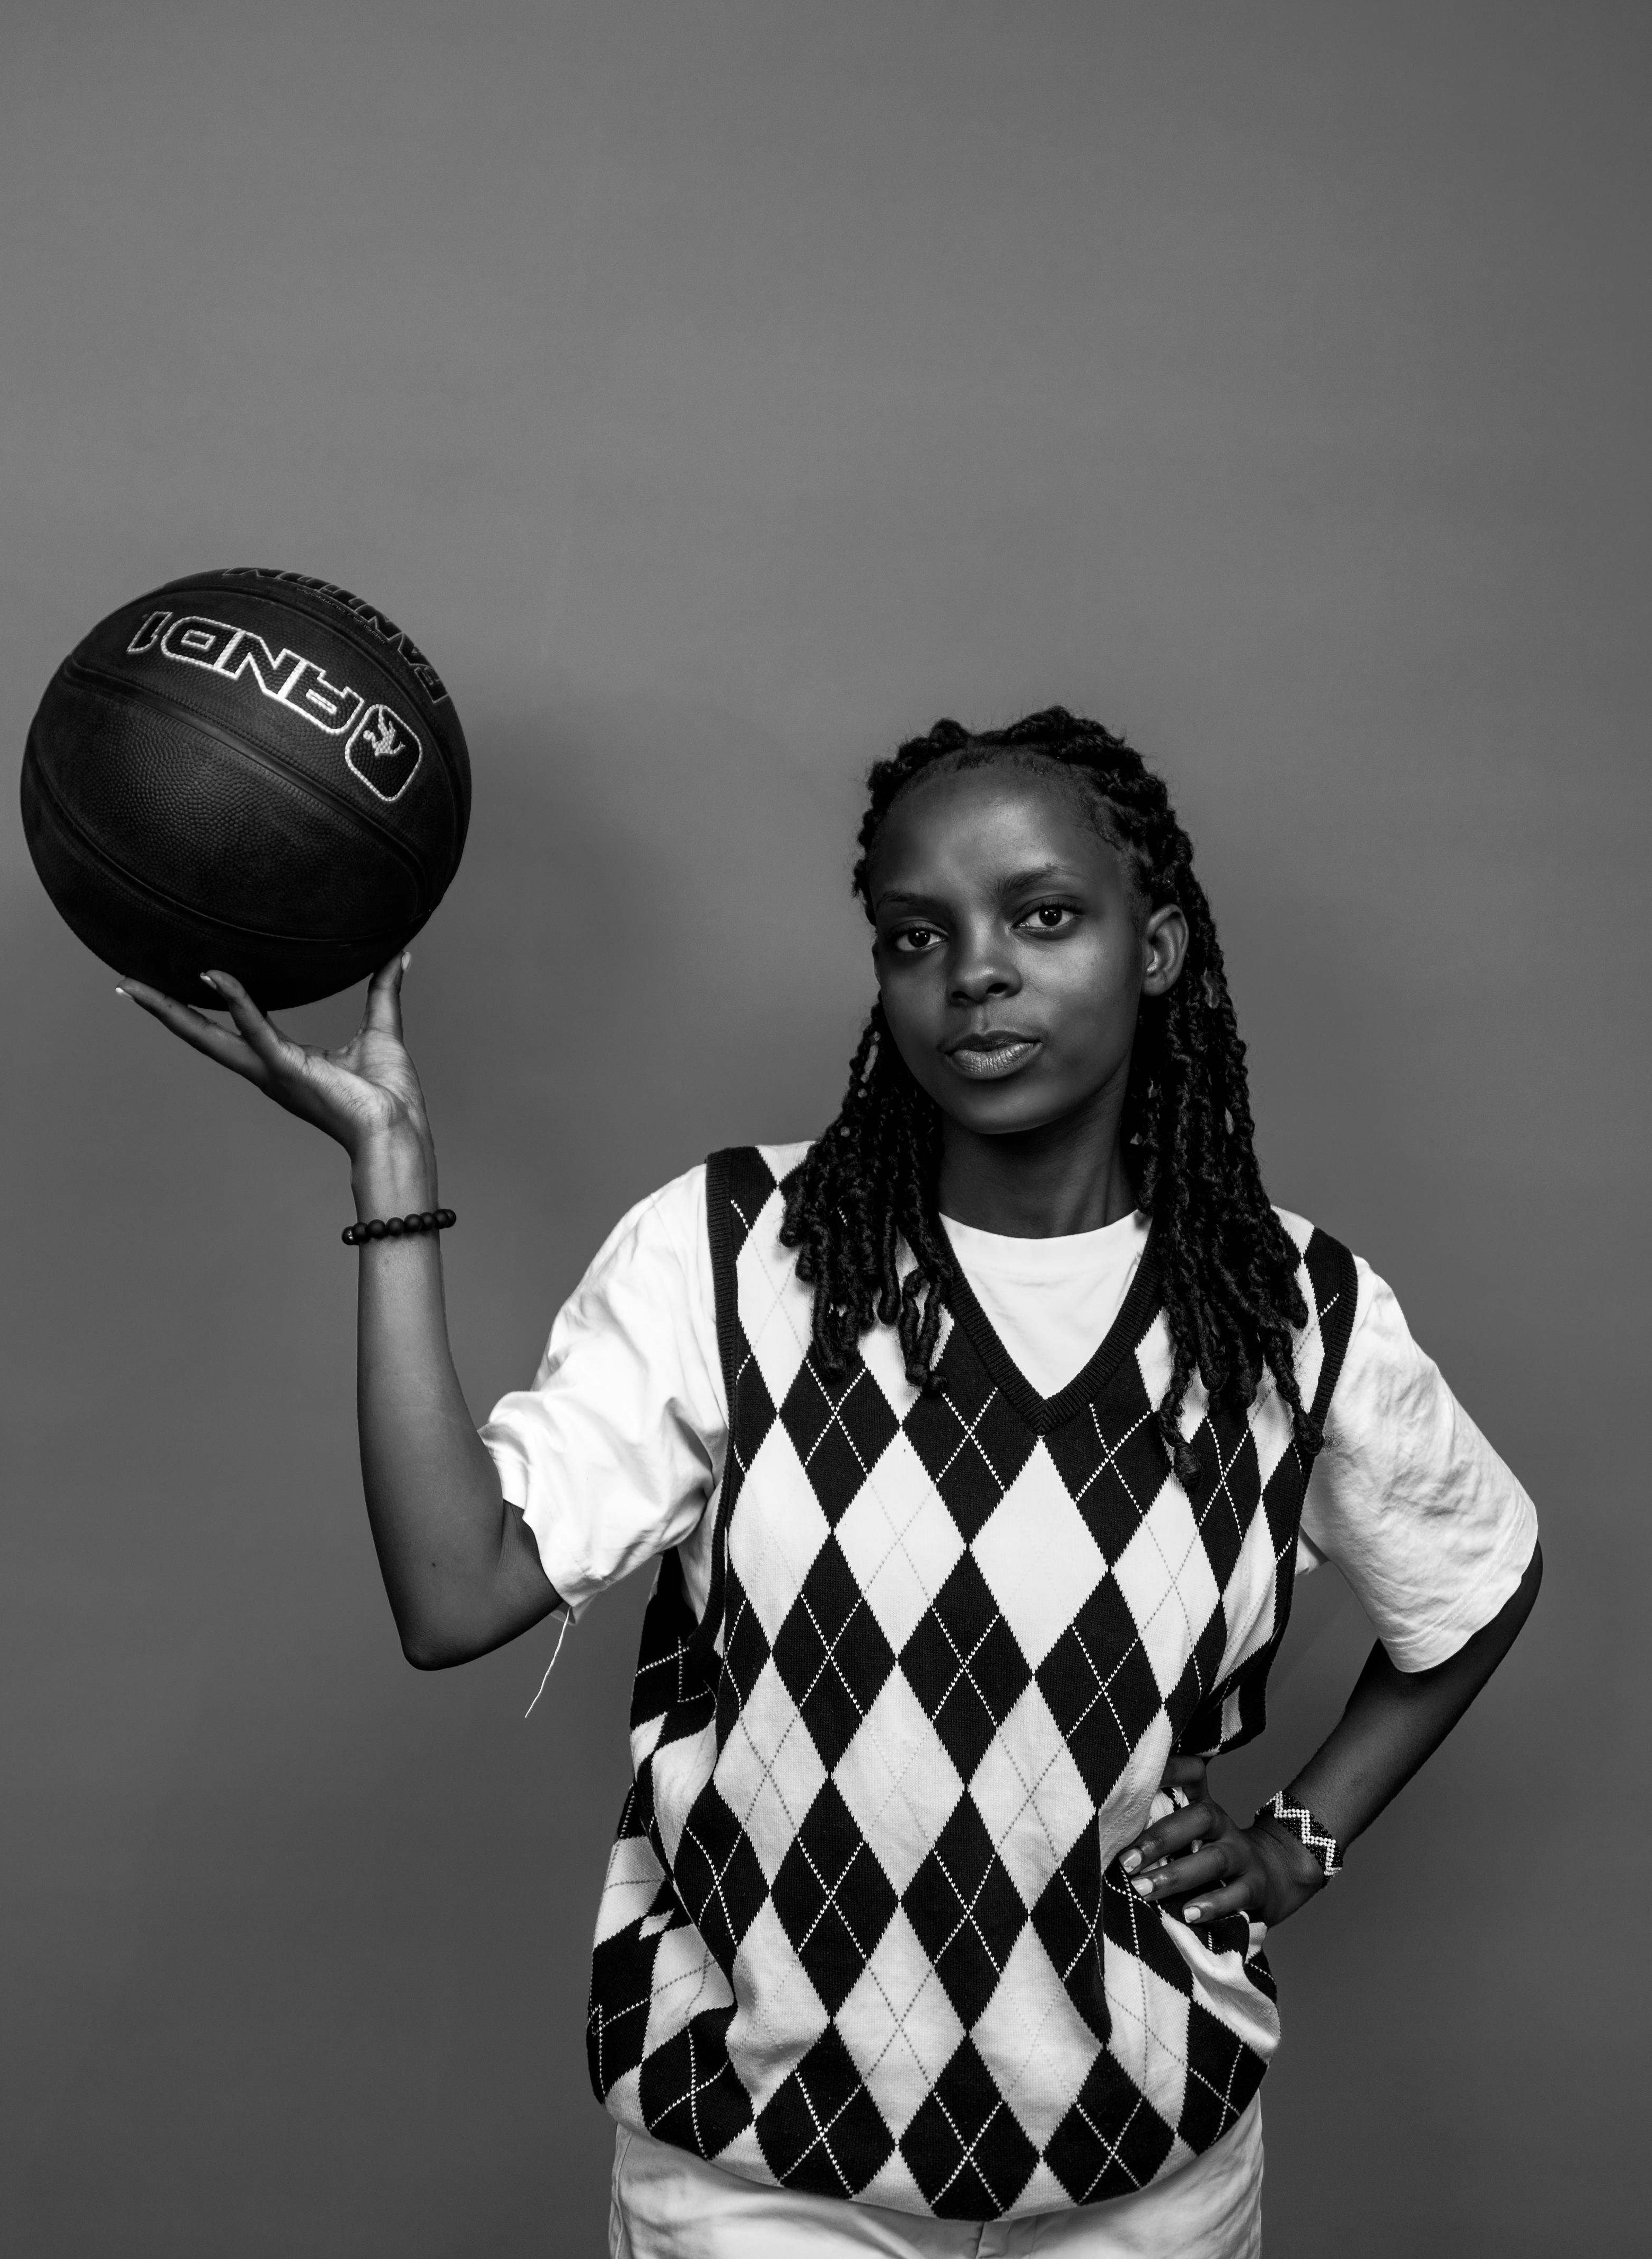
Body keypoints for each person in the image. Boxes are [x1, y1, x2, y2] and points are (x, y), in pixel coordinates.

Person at [124, 707, 1540, 2257]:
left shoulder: (1286, 1309)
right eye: (914, 935)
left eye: (1044, 916)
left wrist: (1296, 1842)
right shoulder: (735, 1256)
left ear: (1161, 948)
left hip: (1149, 2181)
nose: (975, 972)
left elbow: (1475, 1581)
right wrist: (389, 1182)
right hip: (765, 2187)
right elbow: (456, 1593)